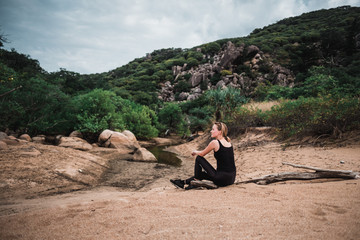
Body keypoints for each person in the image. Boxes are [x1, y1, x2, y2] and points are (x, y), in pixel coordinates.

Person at [170, 122, 236, 190]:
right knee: (202, 174)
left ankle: (195, 183)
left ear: (220, 132)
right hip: (231, 179)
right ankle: (183, 182)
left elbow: (202, 154)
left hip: (221, 179)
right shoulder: (228, 142)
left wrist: (195, 152)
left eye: (213, 129)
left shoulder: (215, 142)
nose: (211, 131)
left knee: (199, 158)